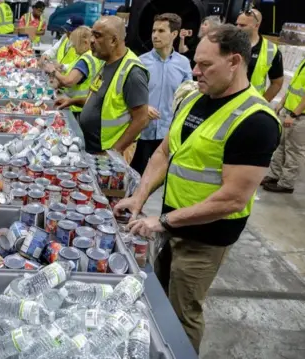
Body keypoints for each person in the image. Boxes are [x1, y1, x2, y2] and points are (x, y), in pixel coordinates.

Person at [115, 25, 280, 353]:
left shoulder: (255, 120)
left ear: (234, 62)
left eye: (205, 65)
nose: (195, 70)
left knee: (182, 313)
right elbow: (165, 152)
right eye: (196, 62)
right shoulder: (194, 99)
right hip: (171, 222)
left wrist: (162, 222)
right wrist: (139, 197)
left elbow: (233, 199)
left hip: (205, 238)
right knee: (157, 298)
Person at [56, 16, 149, 162]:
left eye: (97, 36)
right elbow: (100, 99)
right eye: (92, 34)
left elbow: (141, 119)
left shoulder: (133, 72)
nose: (91, 40)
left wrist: (114, 152)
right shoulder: (106, 63)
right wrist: (72, 101)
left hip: (109, 154)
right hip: (93, 149)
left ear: (113, 40)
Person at [132, 14, 192, 175]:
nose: (155, 35)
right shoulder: (140, 62)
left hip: (168, 134)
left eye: (161, 31)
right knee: (134, 178)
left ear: (174, 34)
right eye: (153, 30)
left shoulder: (184, 64)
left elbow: (188, 97)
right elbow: (127, 95)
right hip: (141, 132)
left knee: (161, 180)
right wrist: (143, 107)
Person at [262, 24, 305, 193]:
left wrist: (294, 114)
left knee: (294, 150)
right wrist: (283, 102)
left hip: (303, 114)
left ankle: (286, 183)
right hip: (290, 109)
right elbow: (296, 85)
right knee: (281, 145)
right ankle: (274, 175)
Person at [48, 26, 102, 118]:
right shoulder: (87, 56)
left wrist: (52, 70)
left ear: (85, 43)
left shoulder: (86, 59)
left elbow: (69, 81)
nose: (72, 46)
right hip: (83, 105)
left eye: (75, 43)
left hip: (77, 108)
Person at [235, 9, 284, 101]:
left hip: (250, 102)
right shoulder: (228, 43)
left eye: (242, 25)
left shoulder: (271, 50)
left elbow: (277, 83)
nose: (237, 28)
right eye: (237, 24)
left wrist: (262, 103)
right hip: (225, 99)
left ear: (256, 25)